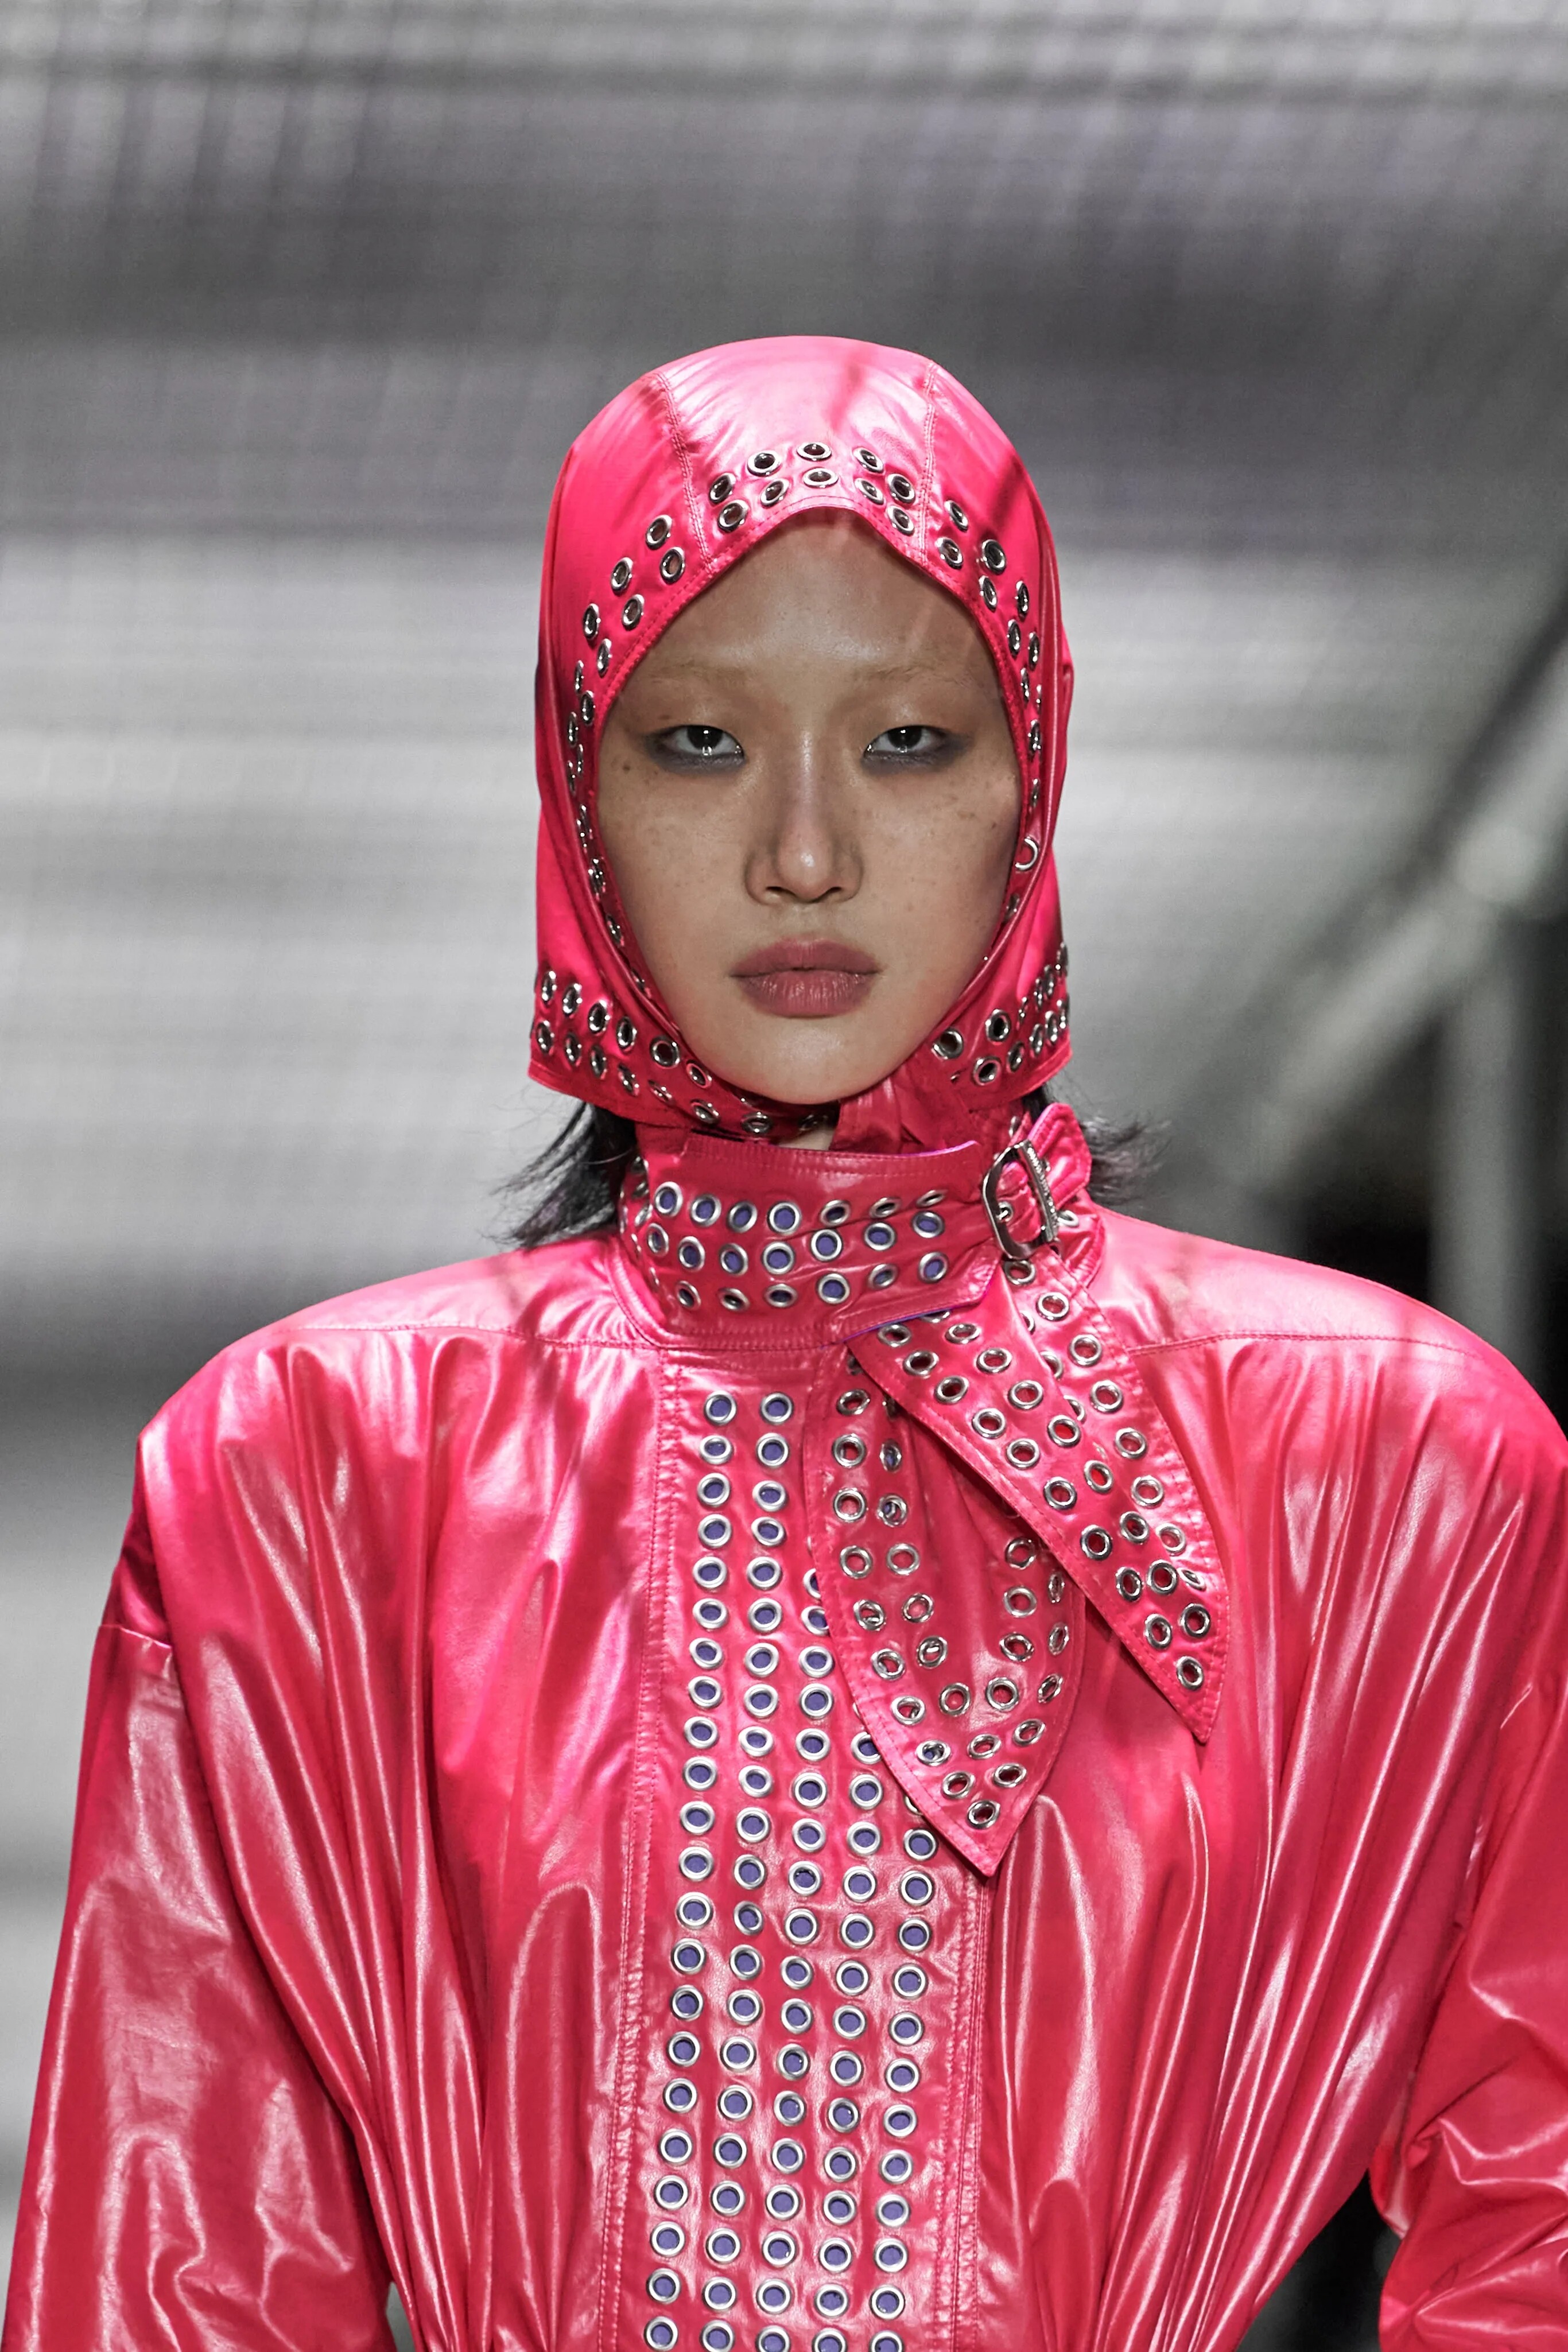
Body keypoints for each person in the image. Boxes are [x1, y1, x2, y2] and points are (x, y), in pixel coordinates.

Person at [6, 336, 1567, 2352]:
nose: (804, 851)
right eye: (697, 742)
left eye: (906, 740)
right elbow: (178, 2273)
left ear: (1030, 772)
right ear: (576, 787)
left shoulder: (1386, 1464)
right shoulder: (313, 1469)